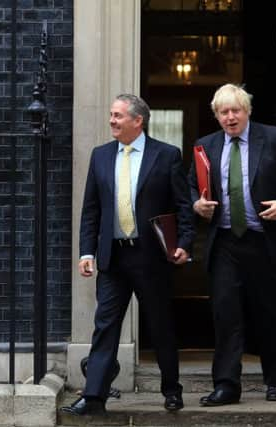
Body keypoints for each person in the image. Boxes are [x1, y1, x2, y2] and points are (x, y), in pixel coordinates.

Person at [61, 94, 194, 416]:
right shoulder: (101, 156)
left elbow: (182, 207)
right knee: (105, 326)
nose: (112, 121)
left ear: (138, 121)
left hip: (151, 257)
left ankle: (172, 391)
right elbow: (91, 209)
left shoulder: (166, 155)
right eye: (111, 114)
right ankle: (94, 396)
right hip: (113, 258)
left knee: (160, 325)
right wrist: (86, 252)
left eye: (118, 116)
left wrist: (184, 243)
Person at [190, 83, 276, 406]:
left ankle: (275, 380)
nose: (230, 117)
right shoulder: (206, 146)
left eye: (236, 111)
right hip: (225, 241)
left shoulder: (274, 138)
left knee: (269, 313)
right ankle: (227, 385)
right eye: (223, 112)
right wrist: (196, 205)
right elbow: (191, 187)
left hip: (265, 240)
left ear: (248, 112)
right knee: (226, 314)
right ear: (216, 116)